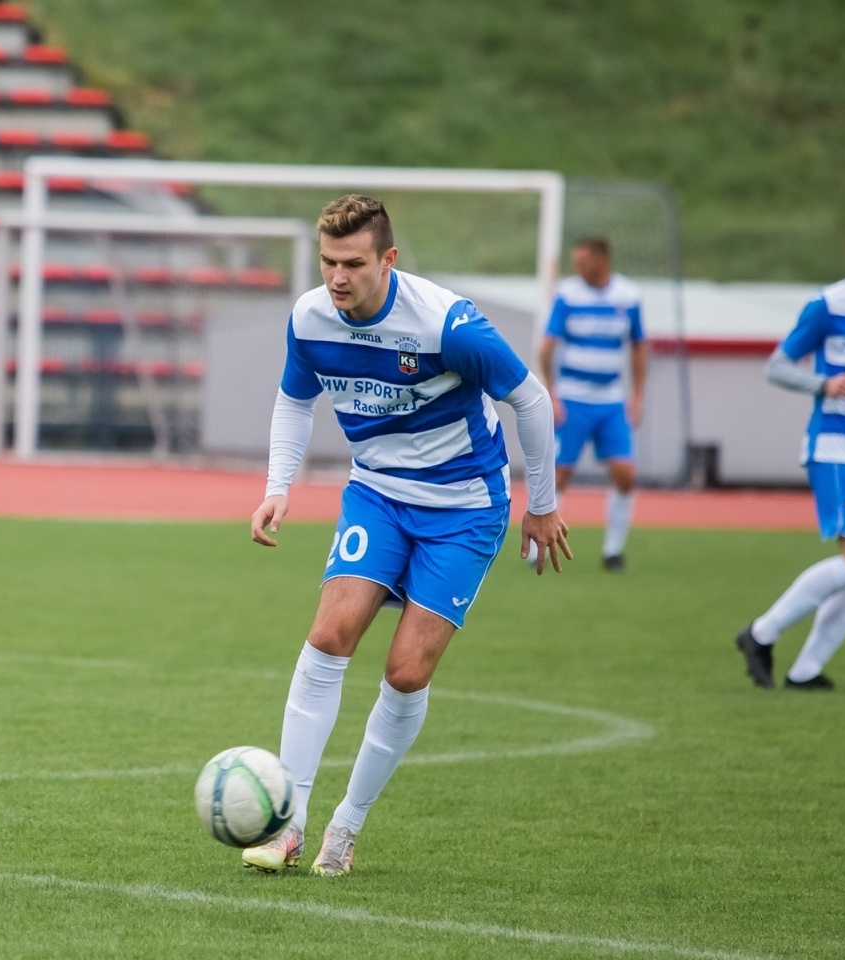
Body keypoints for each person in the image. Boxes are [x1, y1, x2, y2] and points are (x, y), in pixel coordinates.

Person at [242, 194, 570, 878]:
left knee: (405, 670)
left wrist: (542, 503)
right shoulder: (308, 317)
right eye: (329, 261)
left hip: (463, 508)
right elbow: (295, 399)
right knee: (329, 634)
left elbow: (531, 399)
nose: (337, 277)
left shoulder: (447, 324)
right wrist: (279, 485)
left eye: (354, 263)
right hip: (378, 496)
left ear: (387, 259)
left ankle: (346, 826)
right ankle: (289, 824)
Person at [735, 212, 845, 690]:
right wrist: (823, 383)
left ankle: (805, 672)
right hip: (833, 443)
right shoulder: (828, 304)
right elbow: (777, 367)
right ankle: (760, 633)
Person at [536, 237, 648, 571]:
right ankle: (538, 546)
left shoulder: (628, 297)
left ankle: (613, 551)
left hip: (611, 400)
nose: (578, 267)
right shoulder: (568, 295)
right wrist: (552, 393)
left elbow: (639, 347)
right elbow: (546, 347)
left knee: (625, 473)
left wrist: (638, 394)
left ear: (602, 260)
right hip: (572, 399)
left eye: (583, 260)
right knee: (560, 474)